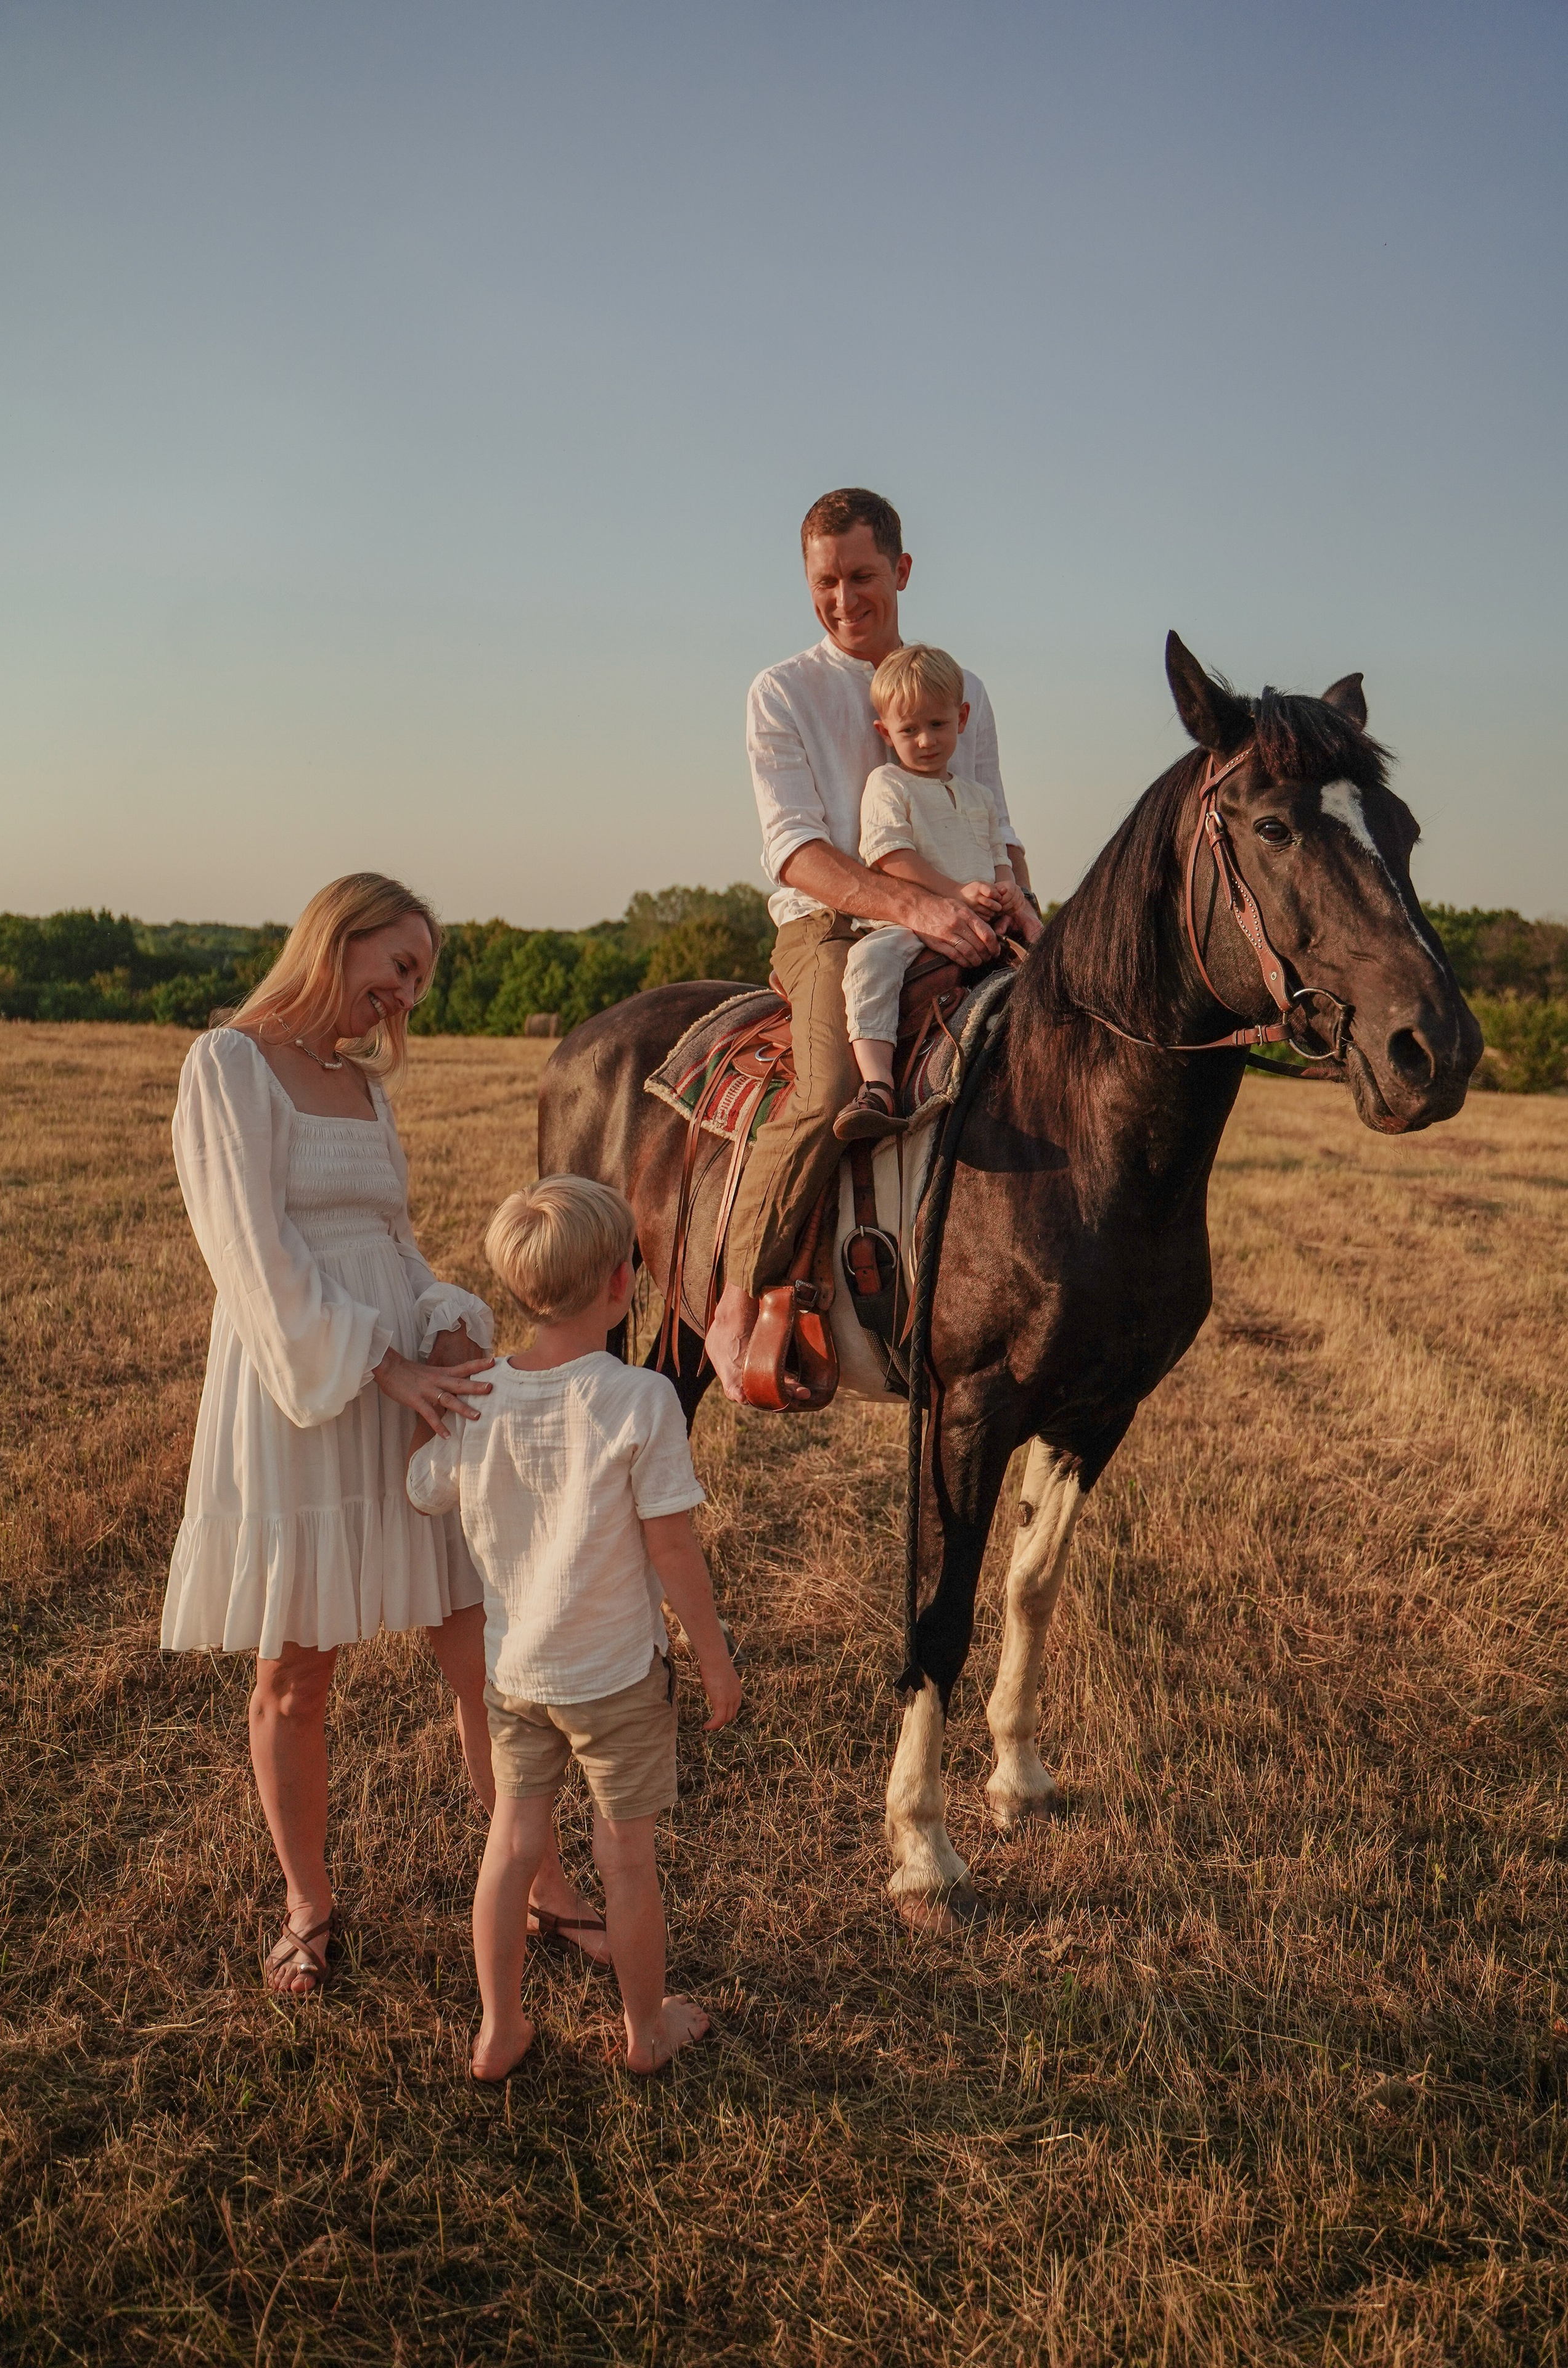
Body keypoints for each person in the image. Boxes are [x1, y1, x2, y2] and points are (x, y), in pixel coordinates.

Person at [163, 873, 609, 1996]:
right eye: (398, 967)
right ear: (339, 935)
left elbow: (392, 1250)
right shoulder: (230, 1065)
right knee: (295, 1673)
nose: (405, 998)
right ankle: (308, 1908)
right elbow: (254, 1260)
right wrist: (381, 1361)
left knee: (482, 1654)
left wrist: (448, 1329)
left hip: (405, 1393)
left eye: (419, 980)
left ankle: (545, 1883)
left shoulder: (366, 1090)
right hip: (296, 1394)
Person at [405, 1177, 741, 2079]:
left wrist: (427, 1412)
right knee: (624, 1858)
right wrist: (714, 1658)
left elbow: (422, 1488)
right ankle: (644, 2032)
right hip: (619, 1680)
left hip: (515, 1677)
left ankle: (500, 2028)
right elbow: (672, 1550)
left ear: (520, 1291)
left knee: (511, 1847)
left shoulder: (479, 1400)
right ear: (621, 1284)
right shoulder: (641, 1401)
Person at [704, 486, 1032, 1399]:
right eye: (825, 581)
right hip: (829, 925)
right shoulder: (782, 691)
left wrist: (1030, 915)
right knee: (831, 1087)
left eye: (863, 577)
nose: (844, 599)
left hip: (965, 907)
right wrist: (912, 910)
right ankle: (737, 1300)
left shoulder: (961, 691)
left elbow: (997, 825)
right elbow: (795, 851)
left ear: (904, 572)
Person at [834, 644, 1044, 1141]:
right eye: (909, 730)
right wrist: (953, 892)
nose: (926, 741)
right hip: (913, 922)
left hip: (986, 918)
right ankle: (878, 1083)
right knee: (870, 964)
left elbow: (998, 855)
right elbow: (890, 856)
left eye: (938, 725)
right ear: (886, 732)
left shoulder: (979, 795)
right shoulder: (887, 784)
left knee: (1049, 955)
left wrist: (1009, 892)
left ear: (962, 718)